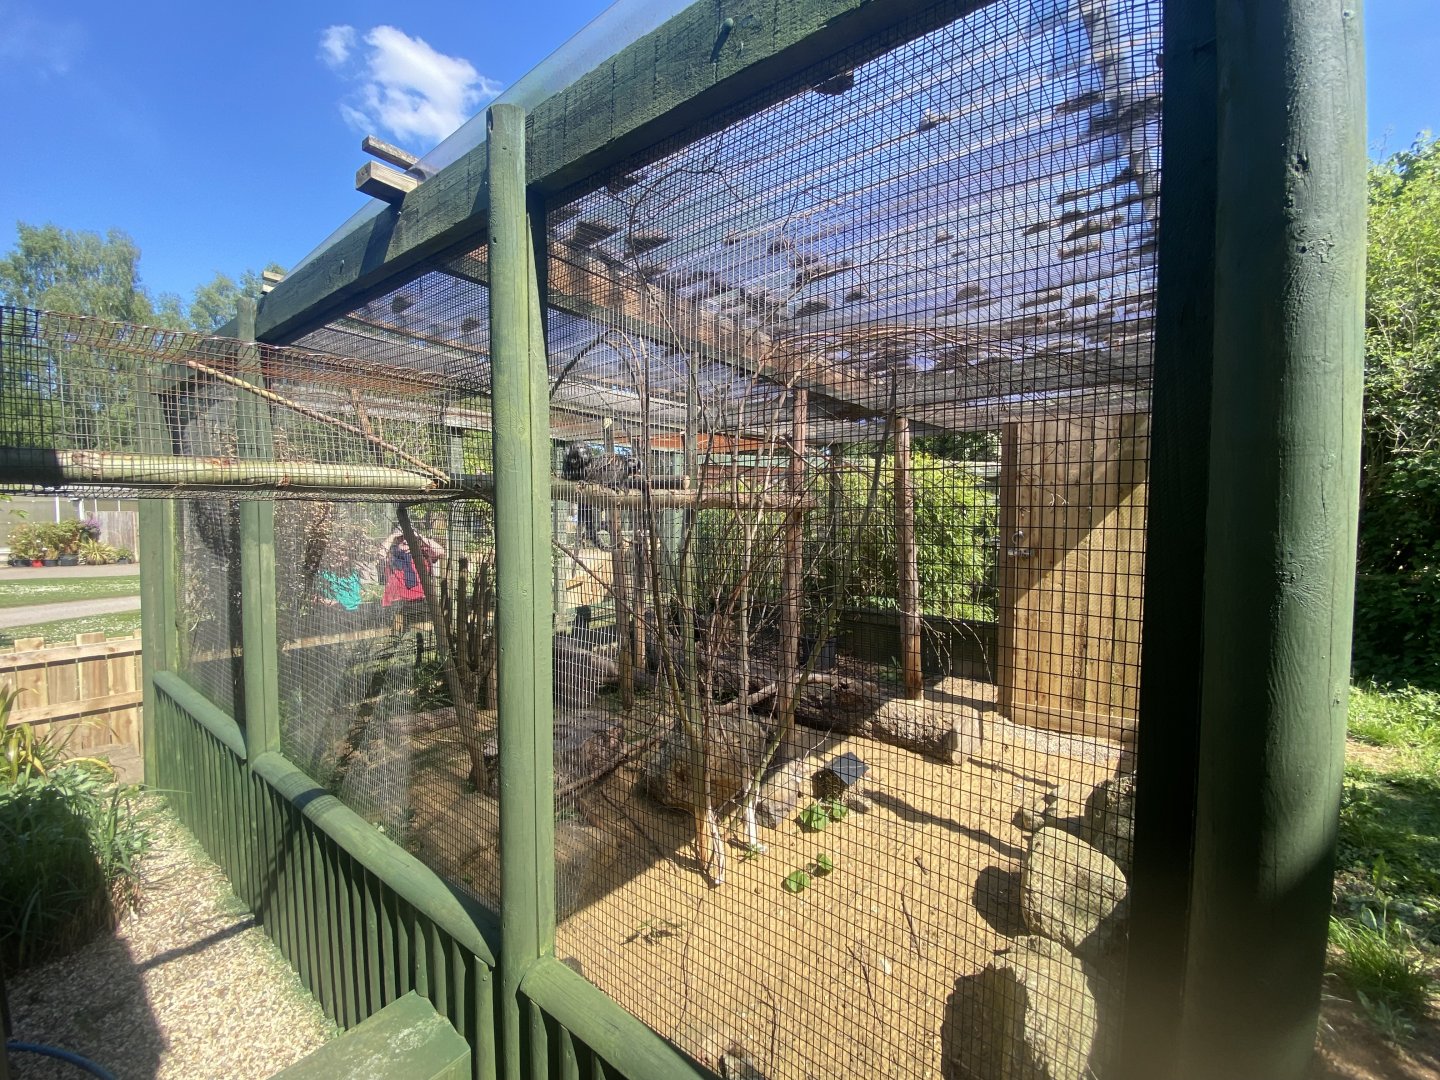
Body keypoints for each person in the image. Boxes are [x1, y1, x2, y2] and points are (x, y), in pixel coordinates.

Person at [381, 528, 445, 606]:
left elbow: (440, 552)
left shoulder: (422, 553)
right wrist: (392, 536)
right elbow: (380, 554)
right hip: (395, 601)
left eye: (408, 538)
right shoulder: (392, 554)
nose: (405, 541)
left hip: (420, 600)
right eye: (401, 538)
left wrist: (420, 536)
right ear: (396, 540)